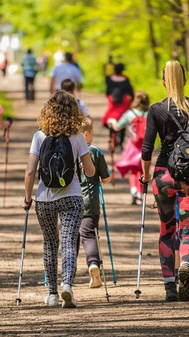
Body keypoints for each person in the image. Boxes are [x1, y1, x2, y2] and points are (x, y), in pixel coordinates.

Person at [141, 60, 189, 302]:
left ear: (163, 83)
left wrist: (145, 174)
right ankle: (185, 262)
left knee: (166, 230)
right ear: (184, 81)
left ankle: (170, 286)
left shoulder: (156, 110)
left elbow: (147, 148)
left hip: (164, 175)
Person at [23, 91, 95, 308]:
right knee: (69, 242)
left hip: (44, 199)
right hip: (71, 196)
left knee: (50, 243)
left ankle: (52, 294)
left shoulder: (39, 136)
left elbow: (29, 171)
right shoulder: (77, 136)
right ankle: (67, 286)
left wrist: (28, 198)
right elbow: (90, 172)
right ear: (74, 112)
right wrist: (83, 166)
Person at [78, 118, 111, 288]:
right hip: (90, 203)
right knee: (90, 235)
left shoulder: (70, 151)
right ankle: (93, 264)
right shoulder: (95, 152)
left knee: (71, 238)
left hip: (71, 200)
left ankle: (68, 274)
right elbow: (106, 179)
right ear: (86, 134)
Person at [108, 91, 149, 205]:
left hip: (132, 146)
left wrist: (112, 121)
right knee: (142, 171)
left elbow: (117, 127)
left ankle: (133, 191)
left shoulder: (129, 114)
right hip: (145, 146)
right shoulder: (149, 114)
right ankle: (140, 194)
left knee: (133, 171)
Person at [102, 63, 134, 150]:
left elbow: (107, 92)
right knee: (123, 120)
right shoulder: (126, 79)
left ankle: (112, 139)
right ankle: (120, 143)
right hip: (124, 102)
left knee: (111, 120)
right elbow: (130, 92)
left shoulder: (110, 79)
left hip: (113, 101)